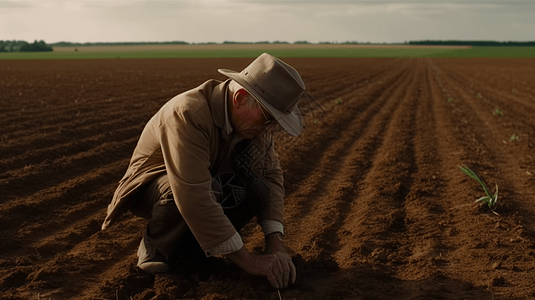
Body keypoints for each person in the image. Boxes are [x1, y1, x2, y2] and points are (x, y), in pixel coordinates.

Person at [101, 53, 312, 290]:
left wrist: (275, 244)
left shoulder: (256, 126)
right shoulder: (188, 113)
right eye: (268, 119)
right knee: (205, 189)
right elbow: (192, 193)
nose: (270, 129)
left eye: (276, 123)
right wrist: (248, 261)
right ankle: (156, 245)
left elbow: (271, 178)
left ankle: (195, 253)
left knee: (254, 187)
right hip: (156, 187)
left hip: (208, 182)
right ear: (242, 97)